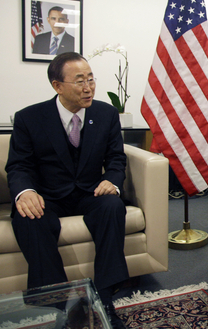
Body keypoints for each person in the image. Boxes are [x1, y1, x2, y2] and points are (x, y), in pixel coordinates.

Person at [6, 52, 128, 328]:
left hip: (90, 193)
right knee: (28, 217)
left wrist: (112, 180)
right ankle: (61, 306)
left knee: (112, 206)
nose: (88, 88)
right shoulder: (29, 118)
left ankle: (106, 299)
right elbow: (18, 166)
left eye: (91, 79)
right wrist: (24, 192)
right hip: (47, 195)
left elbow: (116, 158)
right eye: (79, 81)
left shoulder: (106, 113)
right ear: (57, 86)